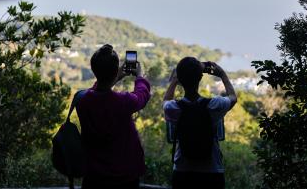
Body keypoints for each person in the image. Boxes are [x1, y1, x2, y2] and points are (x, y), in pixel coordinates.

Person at [76, 44, 151, 189]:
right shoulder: (123, 102)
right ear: (115, 70)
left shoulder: (82, 100)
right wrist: (139, 76)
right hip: (124, 177)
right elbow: (142, 96)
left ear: (93, 69)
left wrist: (115, 78)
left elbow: (95, 91)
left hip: (93, 176)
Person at [163, 57, 237, 189]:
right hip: (212, 171)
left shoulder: (174, 108)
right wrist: (223, 75)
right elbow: (233, 98)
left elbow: (166, 101)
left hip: (182, 171)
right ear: (200, 78)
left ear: (180, 78)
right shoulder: (214, 105)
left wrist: (174, 80)